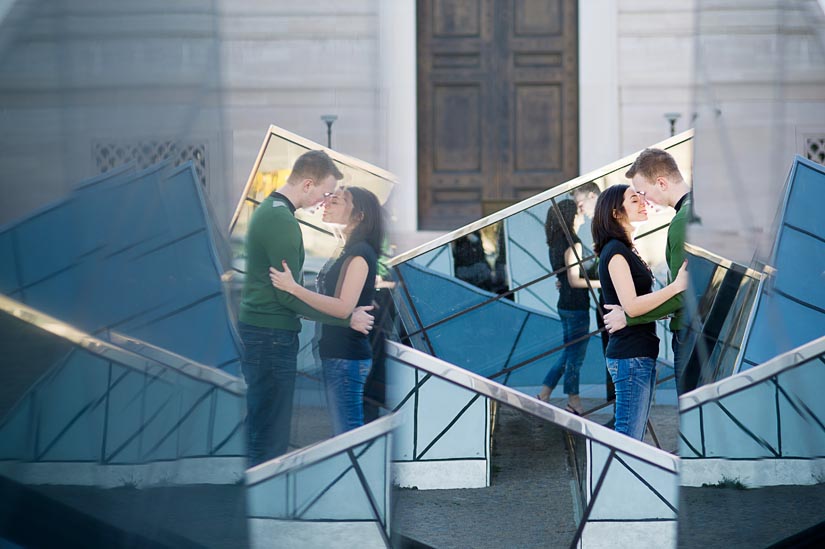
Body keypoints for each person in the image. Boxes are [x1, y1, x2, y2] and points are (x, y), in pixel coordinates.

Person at [238, 150, 374, 466]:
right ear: (308, 184)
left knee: (263, 422)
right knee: (270, 430)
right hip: (271, 338)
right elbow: (287, 295)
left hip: (264, 335)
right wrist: (345, 317)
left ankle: (252, 497)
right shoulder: (282, 222)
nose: (323, 201)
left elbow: (289, 292)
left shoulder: (269, 211)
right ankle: (260, 502)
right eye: (325, 193)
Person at [270, 186, 383, 435]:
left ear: (359, 215)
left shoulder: (359, 254)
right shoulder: (346, 249)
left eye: (338, 201)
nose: (327, 203)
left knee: (348, 433)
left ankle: (359, 474)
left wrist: (294, 289)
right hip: (339, 354)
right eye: (329, 199)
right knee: (345, 430)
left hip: (346, 357)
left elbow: (343, 307)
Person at [593, 184, 688, 440]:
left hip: (638, 354)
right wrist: (676, 288)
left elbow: (635, 306)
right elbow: (633, 306)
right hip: (630, 357)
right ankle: (611, 480)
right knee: (628, 439)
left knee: (631, 436)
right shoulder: (615, 252)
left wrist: (664, 309)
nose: (642, 202)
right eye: (634, 200)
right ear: (616, 213)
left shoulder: (625, 250)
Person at [602, 148, 694, 392]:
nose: (644, 200)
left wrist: (629, 316)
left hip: (690, 333)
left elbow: (684, 292)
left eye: (643, 192)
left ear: (661, 183)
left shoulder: (683, 220)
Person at [537, 199, 600, 415]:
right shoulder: (573, 243)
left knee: (569, 353)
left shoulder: (555, 243)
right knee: (575, 356)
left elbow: (563, 276)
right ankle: (573, 400)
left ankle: (544, 393)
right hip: (576, 306)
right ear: (571, 216)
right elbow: (574, 279)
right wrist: (603, 282)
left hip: (565, 304)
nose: (582, 214)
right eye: (578, 211)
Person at [571, 183, 614, 407]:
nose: (580, 209)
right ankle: (618, 411)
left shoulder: (609, 218)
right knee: (611, 355)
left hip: (613, 302)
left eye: (580, 202)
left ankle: (620, 412)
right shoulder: (600, 223)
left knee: (615, 356)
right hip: (605, 301)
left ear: (590, 196)